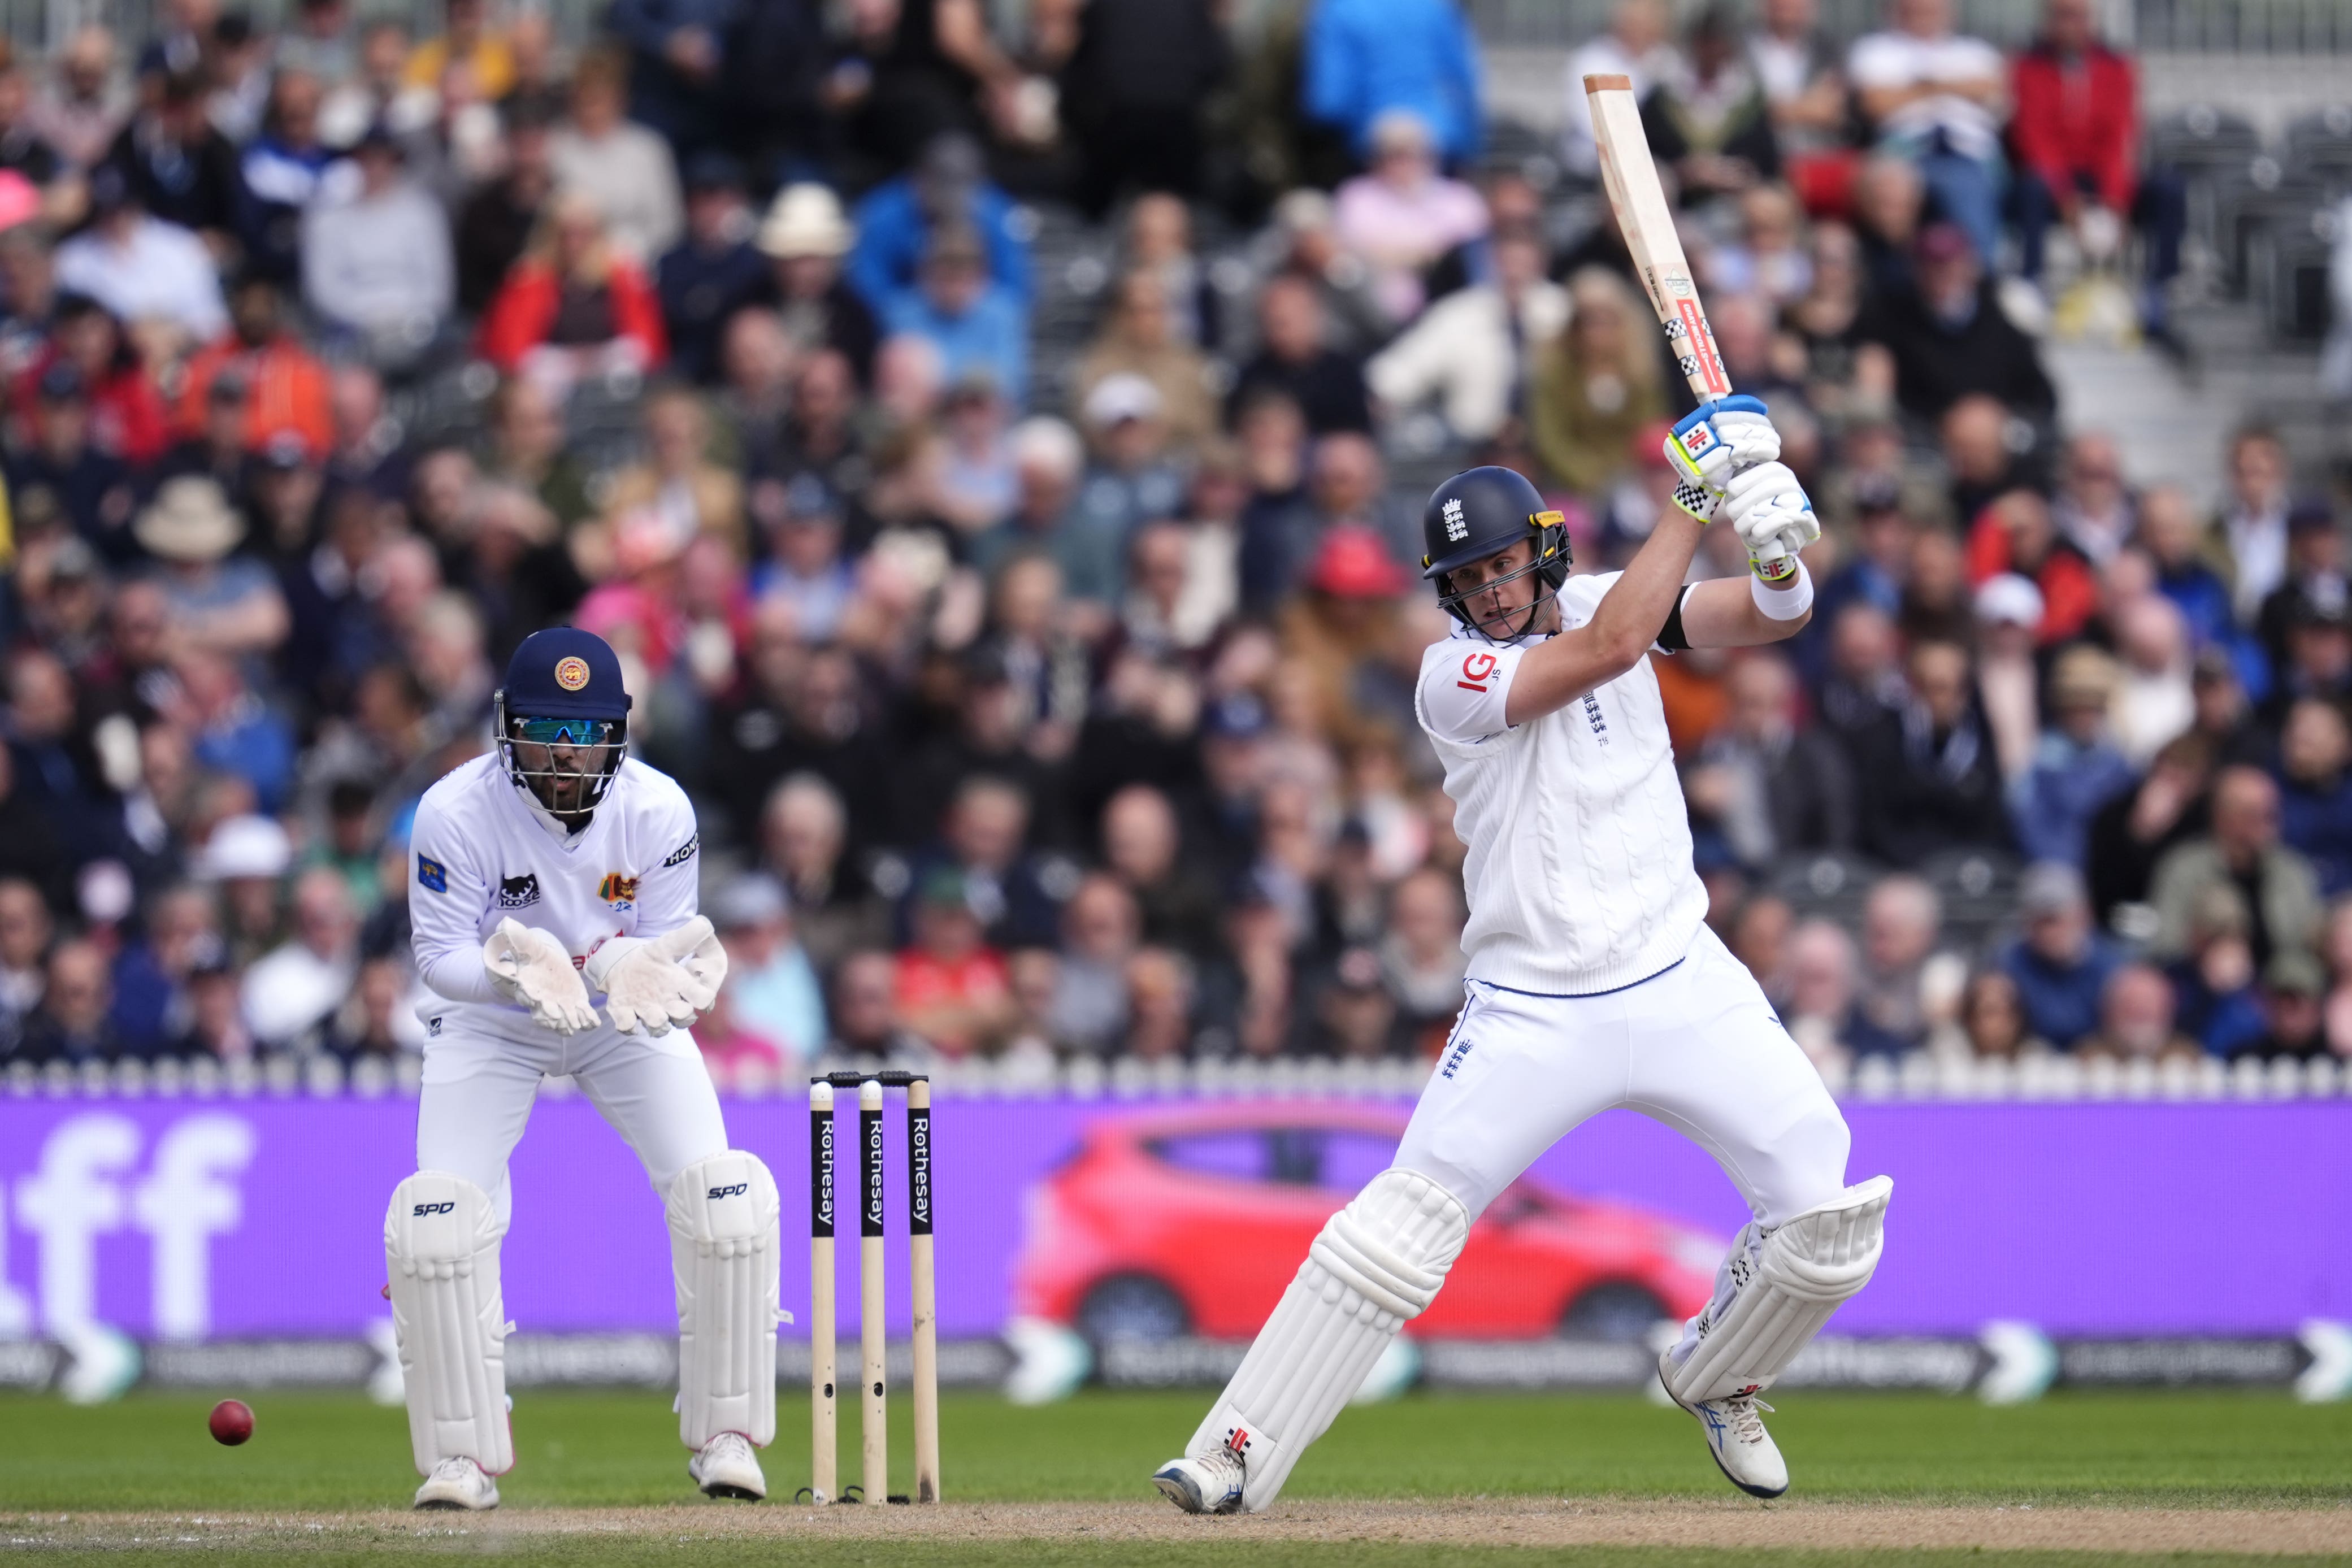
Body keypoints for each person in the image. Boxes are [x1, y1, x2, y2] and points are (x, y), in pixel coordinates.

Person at [1155, 404, 1890, 1512]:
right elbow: (1605, 650)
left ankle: (1718, 1373)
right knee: (1400, 1223)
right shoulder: (1446, 675)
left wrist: (1776, 546)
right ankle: (1233, 1452)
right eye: (1468, 576)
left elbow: (1770, 617)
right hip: (1533, 1007)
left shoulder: (1609, 593)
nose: (1490, 589)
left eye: (1503, 564)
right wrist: (1692, 501)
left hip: (1680, 975)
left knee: (1822, 1210)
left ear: (1540, 550)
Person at [393, 627, 770, 1510]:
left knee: (723, 1199)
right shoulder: (453, 811)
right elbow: (437, 953)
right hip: (494, 1020)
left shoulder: (658, 808)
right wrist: (511, 970)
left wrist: (626, 967)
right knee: (439, 1221)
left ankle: (726, 1434)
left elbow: (662, 940)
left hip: (615, 1015)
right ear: (506, 728)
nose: (566, 758)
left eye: (586, 734)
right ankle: (460, 1457)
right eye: (546, 734)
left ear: (617, 733)